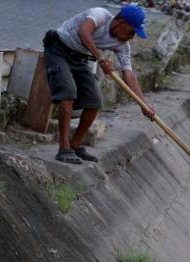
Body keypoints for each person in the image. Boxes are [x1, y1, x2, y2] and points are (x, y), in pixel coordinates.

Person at [43, 5, 156, 164]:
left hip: (80, 58)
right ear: (120, 23)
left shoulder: (123, 46)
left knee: (94, 101)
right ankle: (64, 148)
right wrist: (101, 59)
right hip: (58, 50)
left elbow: (128, 74)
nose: (132, 37)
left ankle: (75, 145)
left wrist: (143, 104)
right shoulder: (100, 15)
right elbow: (84, 33)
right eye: (132, 32)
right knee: (68, 94)